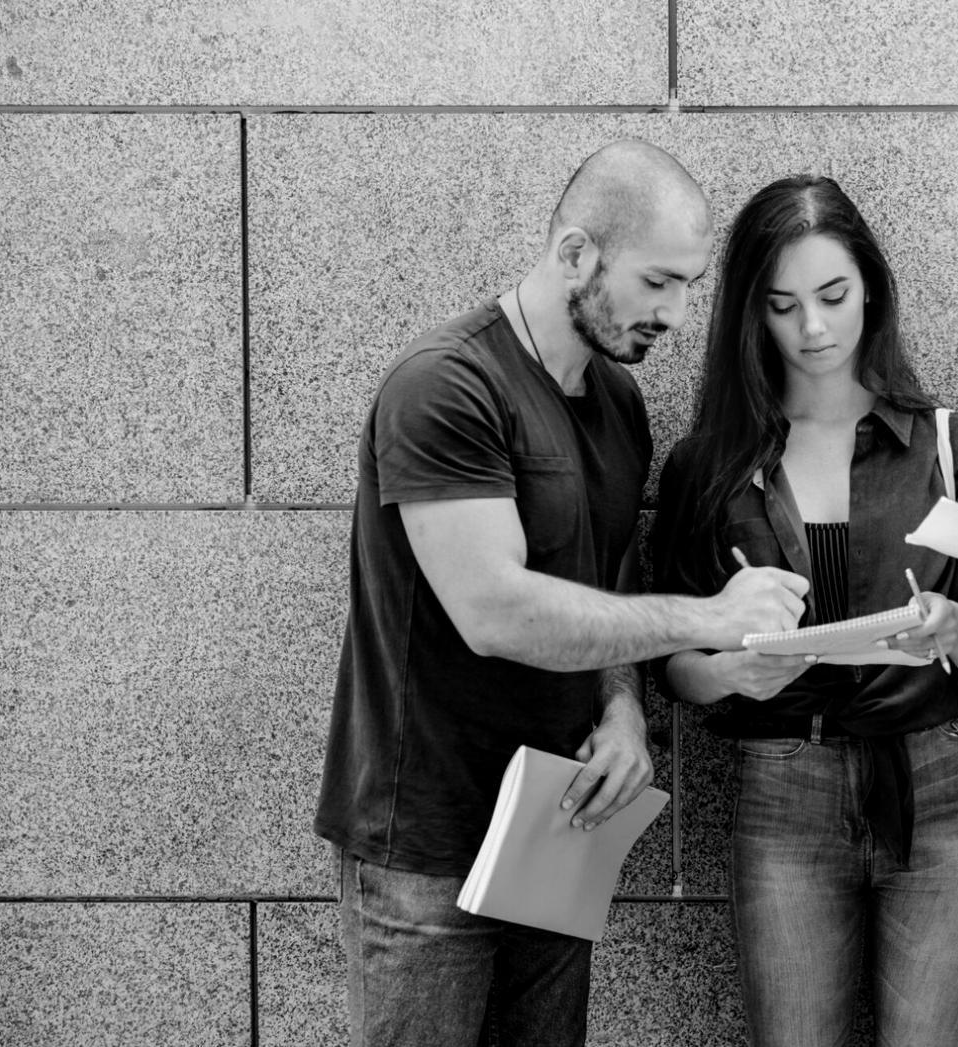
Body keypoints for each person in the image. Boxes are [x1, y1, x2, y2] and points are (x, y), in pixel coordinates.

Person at [313, 139, 811, 1047]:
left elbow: (607, 572)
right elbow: (493, 609)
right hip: (425, 839)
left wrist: (623, 712)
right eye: (659, 282)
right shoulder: (447, 386)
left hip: (556, 822)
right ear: (577, 253)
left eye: (692, 285)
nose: (678, 311)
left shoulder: (617, 400)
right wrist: (707, 619)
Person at [651, 174, 958, 1047]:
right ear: (751, 314)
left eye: (832, 296)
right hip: (784, 785)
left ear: (871, 286)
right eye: (783, 306)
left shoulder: (952, 447)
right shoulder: (708, 466)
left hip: (938, 784)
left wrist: (950, 624)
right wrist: (729, 671)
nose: (814, 329)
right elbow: (670, 663)